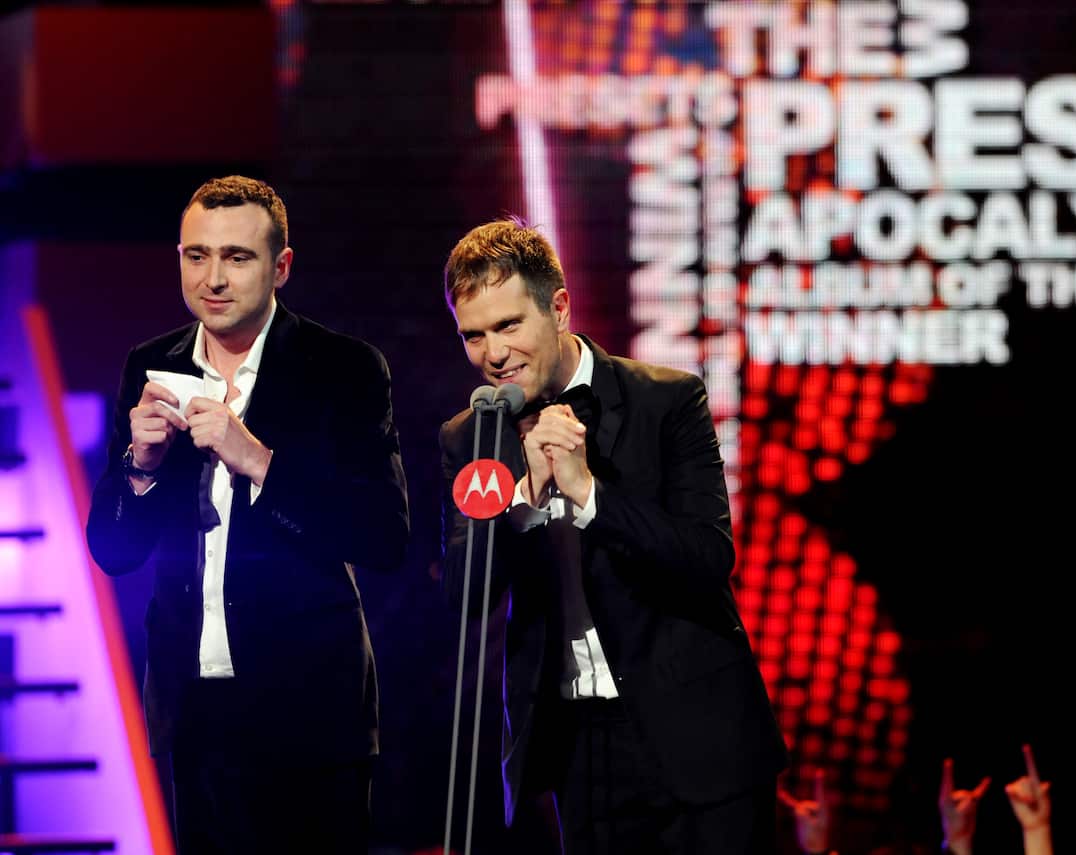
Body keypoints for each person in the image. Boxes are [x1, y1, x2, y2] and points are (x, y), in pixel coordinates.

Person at [439, 218, 787, 855]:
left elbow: (708, 557)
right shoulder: (471, 436)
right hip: (575, 744)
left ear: (559, 308)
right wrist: (524, 497)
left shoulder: (667, 401)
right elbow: (465, 596)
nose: (494, 353)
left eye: (509, 325)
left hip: (699, 738)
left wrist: (588, 493)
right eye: (474, 335)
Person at [86, 175, 410, 854]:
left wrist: (261, 461)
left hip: (311, 713)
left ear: (280, 266)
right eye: (196, 255)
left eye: (237, 257)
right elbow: (114, 550)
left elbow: (384, 535)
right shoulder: (151, 366)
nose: (213, 278)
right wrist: (140, 466)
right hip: (192, 712)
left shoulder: (342, 368)